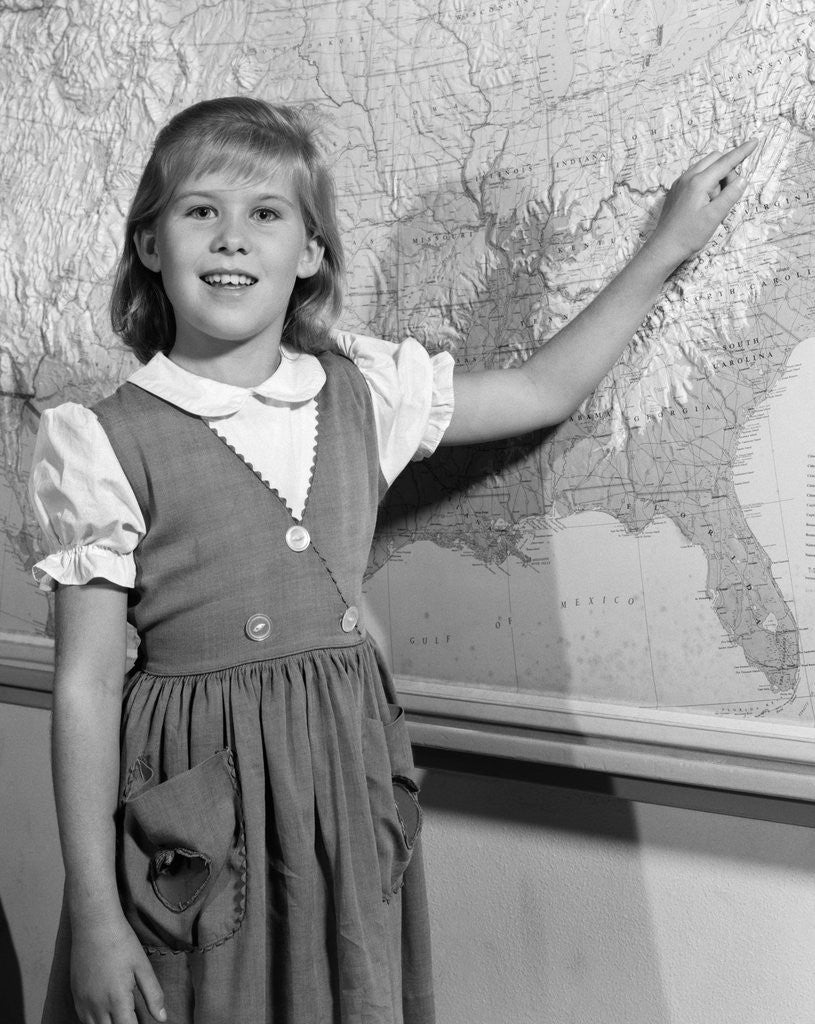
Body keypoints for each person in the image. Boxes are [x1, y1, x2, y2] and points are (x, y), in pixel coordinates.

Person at [29, 96, 756, 1024]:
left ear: (311, 253)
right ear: (148, 244)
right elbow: (86, 686)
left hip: (344, 789)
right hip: (201, 815)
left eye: (266, 214)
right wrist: (95, 915)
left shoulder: (359, 390)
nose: (232, 239)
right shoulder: (100, 440)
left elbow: (541, 388)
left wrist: (665, 248)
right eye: (198, 210)